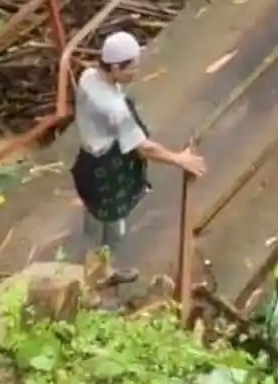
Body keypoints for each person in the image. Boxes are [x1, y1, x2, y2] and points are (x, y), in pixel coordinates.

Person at [70, 31, 207, 285]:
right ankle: (94, 285)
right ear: (114, 68)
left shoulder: (89, 76)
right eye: (131, 67)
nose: (135, 72)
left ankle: (101, 271)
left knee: (97, 221)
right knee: (110, 228)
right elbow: (143, 148)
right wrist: (180, 159)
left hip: (87, 161)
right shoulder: (113, 108)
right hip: (104, 167)